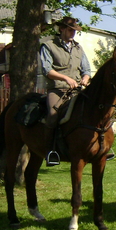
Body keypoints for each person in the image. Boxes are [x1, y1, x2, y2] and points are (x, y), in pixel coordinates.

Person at [40, 16, 91, 166]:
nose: (73, 33)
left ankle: (100, 147)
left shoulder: (78, 48)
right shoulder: (48, 46)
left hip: (77, 90)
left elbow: (86, 69)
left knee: (96, 109)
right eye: (70, 29)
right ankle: (50, 151)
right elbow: (46, 70)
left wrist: (86, 78)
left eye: (74, 30)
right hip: (57, 89)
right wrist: (65, 79)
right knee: (53, 115)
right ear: (61, 29)